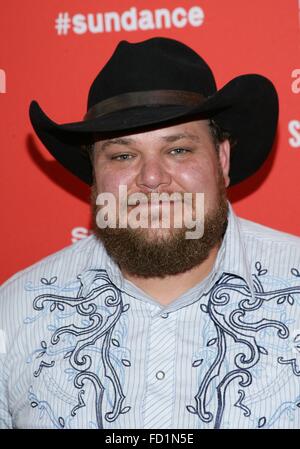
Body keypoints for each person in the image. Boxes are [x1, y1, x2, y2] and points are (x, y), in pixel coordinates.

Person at [0, 37, 300, 430]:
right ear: (95, 174)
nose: (152, 178)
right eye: (123, 155)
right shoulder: (16, 311)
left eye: (178, 150)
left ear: (222, 159)